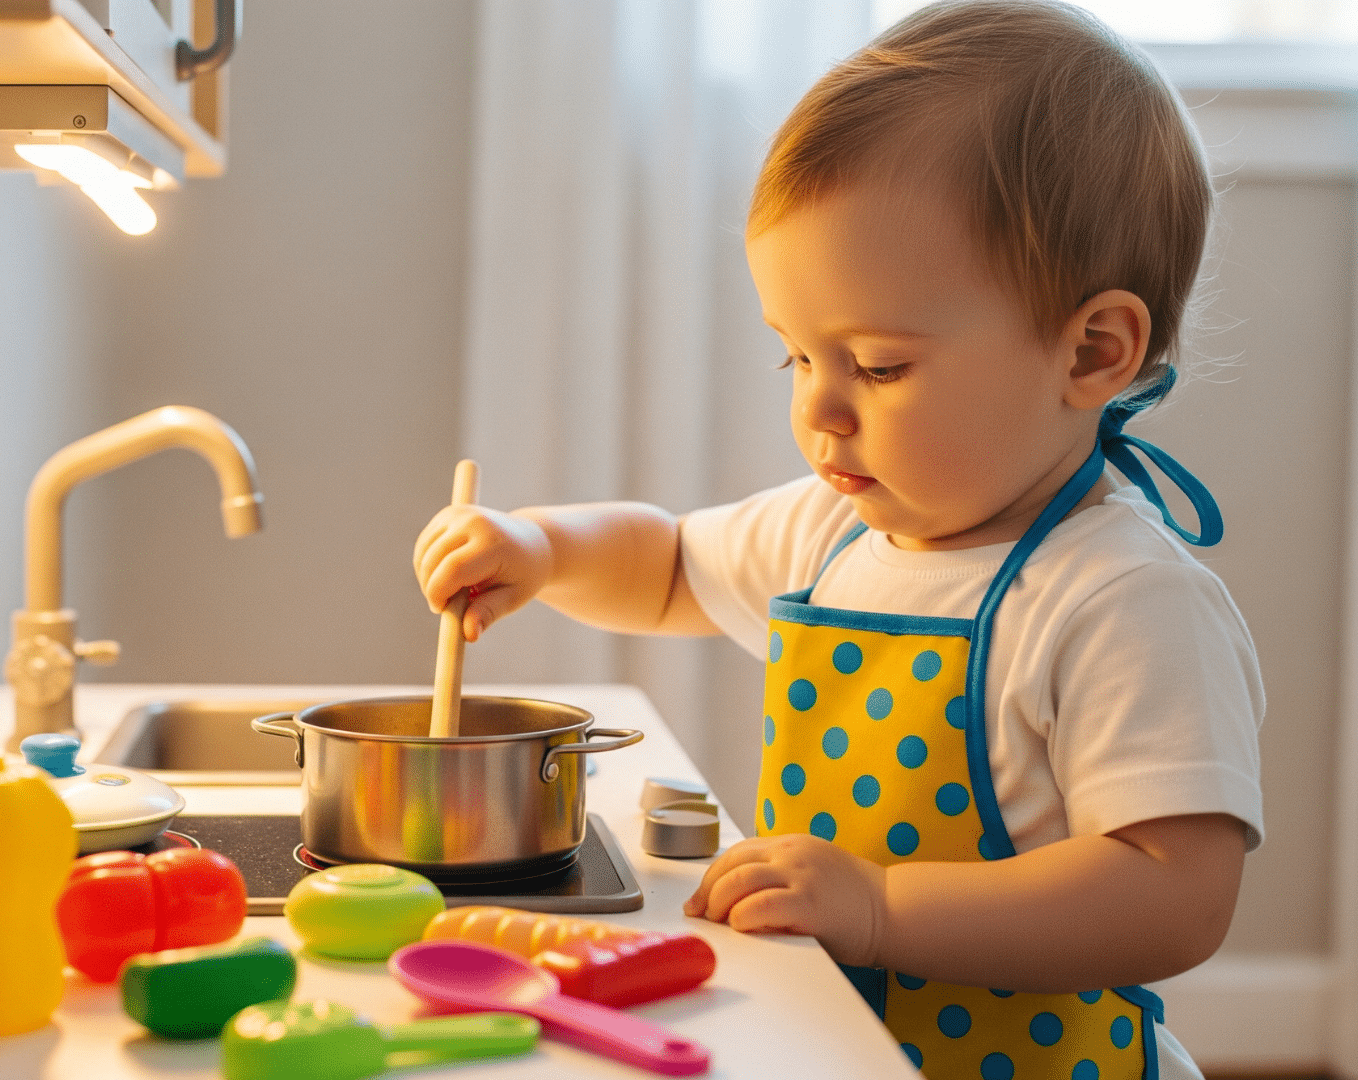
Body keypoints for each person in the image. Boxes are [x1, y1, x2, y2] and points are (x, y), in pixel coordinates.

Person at [411, 3, 1264, 1078]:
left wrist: (882, 904)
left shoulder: (1121, 599)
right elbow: (669, 564)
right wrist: (538, 548)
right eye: (797, 359)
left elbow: (1174, 895)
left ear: (1093, 350)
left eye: (881, 366)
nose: (821, 411)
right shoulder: (834, 530)